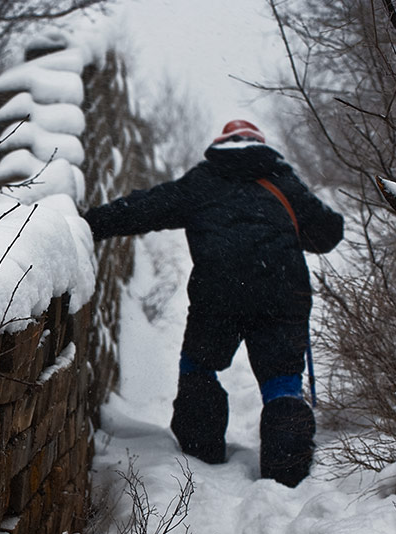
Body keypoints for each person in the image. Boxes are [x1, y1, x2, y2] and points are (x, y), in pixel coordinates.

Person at [85, 119, 343, 487]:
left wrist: (91, 223)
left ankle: (199, 454)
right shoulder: (283, 180)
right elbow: (329, 232)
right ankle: (288, 475)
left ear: (221, 145)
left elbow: (148, 208)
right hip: (282, 295)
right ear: (260, 144)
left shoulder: (204, 180)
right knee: (282, 383)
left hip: (219, 294)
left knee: (200, 368)